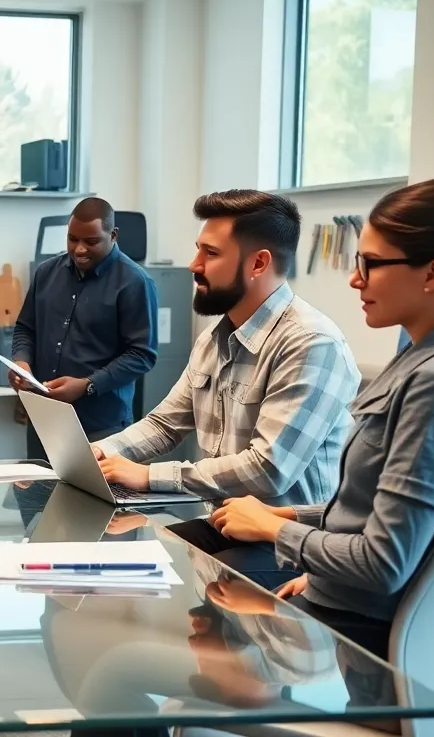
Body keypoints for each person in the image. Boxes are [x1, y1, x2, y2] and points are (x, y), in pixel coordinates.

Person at [209, 177, 434, 660]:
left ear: (433, 273)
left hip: (358, 639)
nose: (355, 280)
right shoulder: (426, 357)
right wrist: (287, 516)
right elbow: (375, 510)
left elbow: (384, 562)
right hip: (332, 600)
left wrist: (276, 531)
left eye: (370, 264)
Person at [93, 190, 360, 589]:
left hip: (294, 539)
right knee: (137, 559)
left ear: (258, 263)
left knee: (211, 584)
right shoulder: (214, 339)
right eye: (198, 249)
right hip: (228, 523)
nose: (194, 264)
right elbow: (165, 424)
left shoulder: (311, 343)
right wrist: (102, 453)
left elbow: (269, 470)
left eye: (211, 253)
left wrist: (148, 476)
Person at [9, 197, 159, 462]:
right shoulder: (46, 273)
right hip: (45, 419)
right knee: (38, 490)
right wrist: (21, 362)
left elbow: (142, 355)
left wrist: (87, 385)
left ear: (113, 235)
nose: (79, 249)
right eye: (72, 239)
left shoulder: (135, 282)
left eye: (91, 242)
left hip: (101, 428)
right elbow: (25, 328)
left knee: (95, 491)